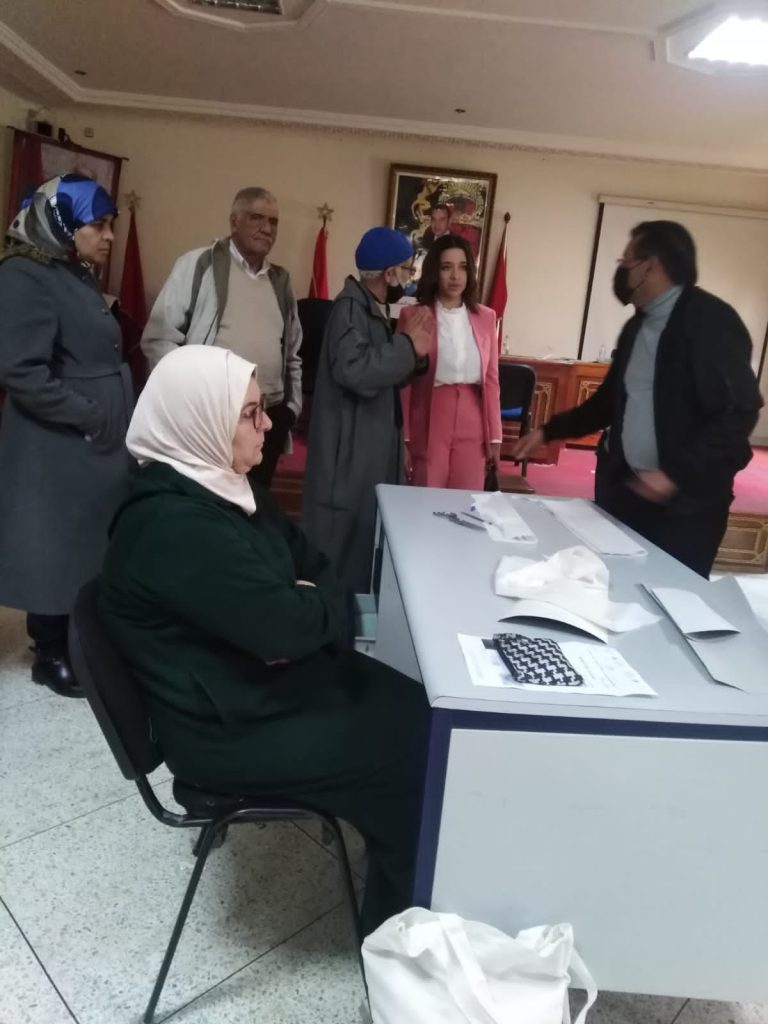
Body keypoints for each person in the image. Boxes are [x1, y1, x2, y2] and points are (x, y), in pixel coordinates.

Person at [97, 345, 429, 934]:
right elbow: (288, 627)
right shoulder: (173, 525)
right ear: (200, 422)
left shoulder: (223, 487)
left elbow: (315, 567)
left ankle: (399, 865)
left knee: (420, 706)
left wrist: (301, 606)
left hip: (253, 688)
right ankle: (399, 936)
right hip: (223, 731)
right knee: (417, 750)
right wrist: (298, 613)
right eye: (250, 413)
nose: (269, 425)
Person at [513, 220, 763, 577]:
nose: (622, 269)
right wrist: (549, 431)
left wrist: (673, 474)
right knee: (614, 583)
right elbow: (607, 403)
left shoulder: (711, 321)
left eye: (626, 260)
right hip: (627, 493)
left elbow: (739, 411)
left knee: (671, 594)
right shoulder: (637, 327)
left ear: (650, 266)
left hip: (687, 507)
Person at [0, 174, 133, 697]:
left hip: (88, 438)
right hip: (56, 439)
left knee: (83, 543)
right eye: (98, 225)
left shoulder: (71, 271)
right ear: (62, 223)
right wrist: (90, 414)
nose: (109, 236)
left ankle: (79, 640)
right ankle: (49, 651)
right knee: (54, 544)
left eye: (110, 224)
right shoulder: (23, 275)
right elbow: (22, 372)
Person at [140, 186, 301, 488]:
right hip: (211, 416)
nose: (267, 228)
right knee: (206, 500)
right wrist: (188, 402)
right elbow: (158, 339)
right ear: (234, 221)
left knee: (256, 502)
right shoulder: (199, 264)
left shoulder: (281, 280)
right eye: (256, 218)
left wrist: (291, 410)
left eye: (273, 221)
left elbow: (292, 353)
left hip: (268, 418)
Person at [301, 227, 433, 592]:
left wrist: (415, 356)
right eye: (406, 270)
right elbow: (355, 370)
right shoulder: (349, 309)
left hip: (367, 444)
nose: (408, 279)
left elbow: (382, 374)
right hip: (348, 452)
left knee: (362, 538)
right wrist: (407, 347)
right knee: (340, 541)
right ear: (389, 273)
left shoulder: (368, 308)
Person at [399, 235, 502, 489]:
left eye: (463, 267)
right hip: (430, 414)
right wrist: (404, 438)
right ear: (435, 271)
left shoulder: (486, 317)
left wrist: (495, 437)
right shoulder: (412, 315)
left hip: (473, 417)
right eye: (447, 267)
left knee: (467, 499)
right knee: (427, 495)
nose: (456, 276)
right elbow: (404, 384)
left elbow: (491, 381)